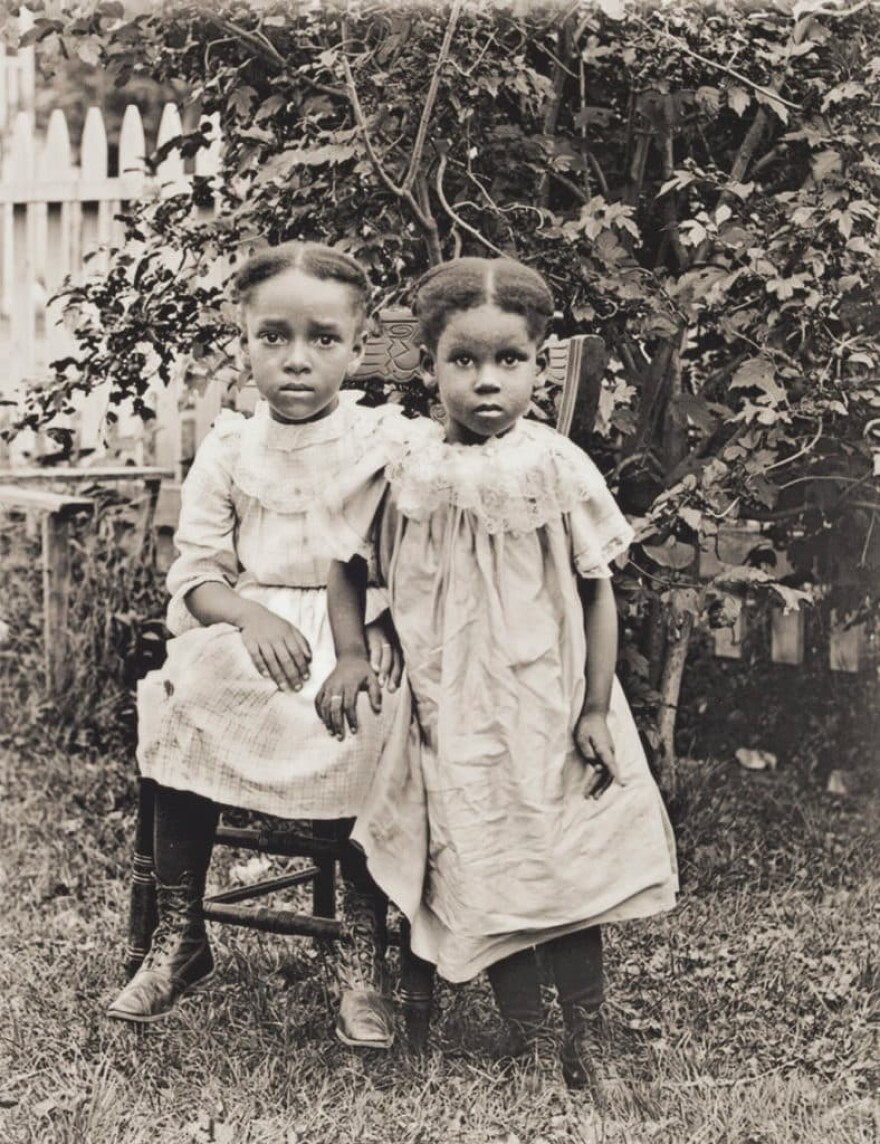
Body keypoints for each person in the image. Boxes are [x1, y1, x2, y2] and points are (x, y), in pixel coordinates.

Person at [314, 256, 678, 1088]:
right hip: (442, 702)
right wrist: (353, 651)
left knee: (557, 857)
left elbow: (597, 593)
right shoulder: (399, 467)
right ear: (428, 364)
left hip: (543, 698)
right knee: (468, 852)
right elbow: (343, 564)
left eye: (508, 362)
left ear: (539, 365)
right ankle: (506, 1027)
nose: (486, 383)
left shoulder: (553, 467)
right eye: (463, 362)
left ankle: (586, 1036)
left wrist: (593, 706)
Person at [107, 240, 410, 1050]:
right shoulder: (232, 444)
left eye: (323, 339)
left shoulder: (383, 438)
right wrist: (245, 616)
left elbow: (420, 557)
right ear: (242, 341)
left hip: (360, 626)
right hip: (252, 623)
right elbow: (196, 577)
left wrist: (382, 627)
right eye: (273, 337)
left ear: (356, 341)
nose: (298, 360)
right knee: (186, 696)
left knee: (366, 713)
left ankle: (359, 956)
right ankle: (182, 936)